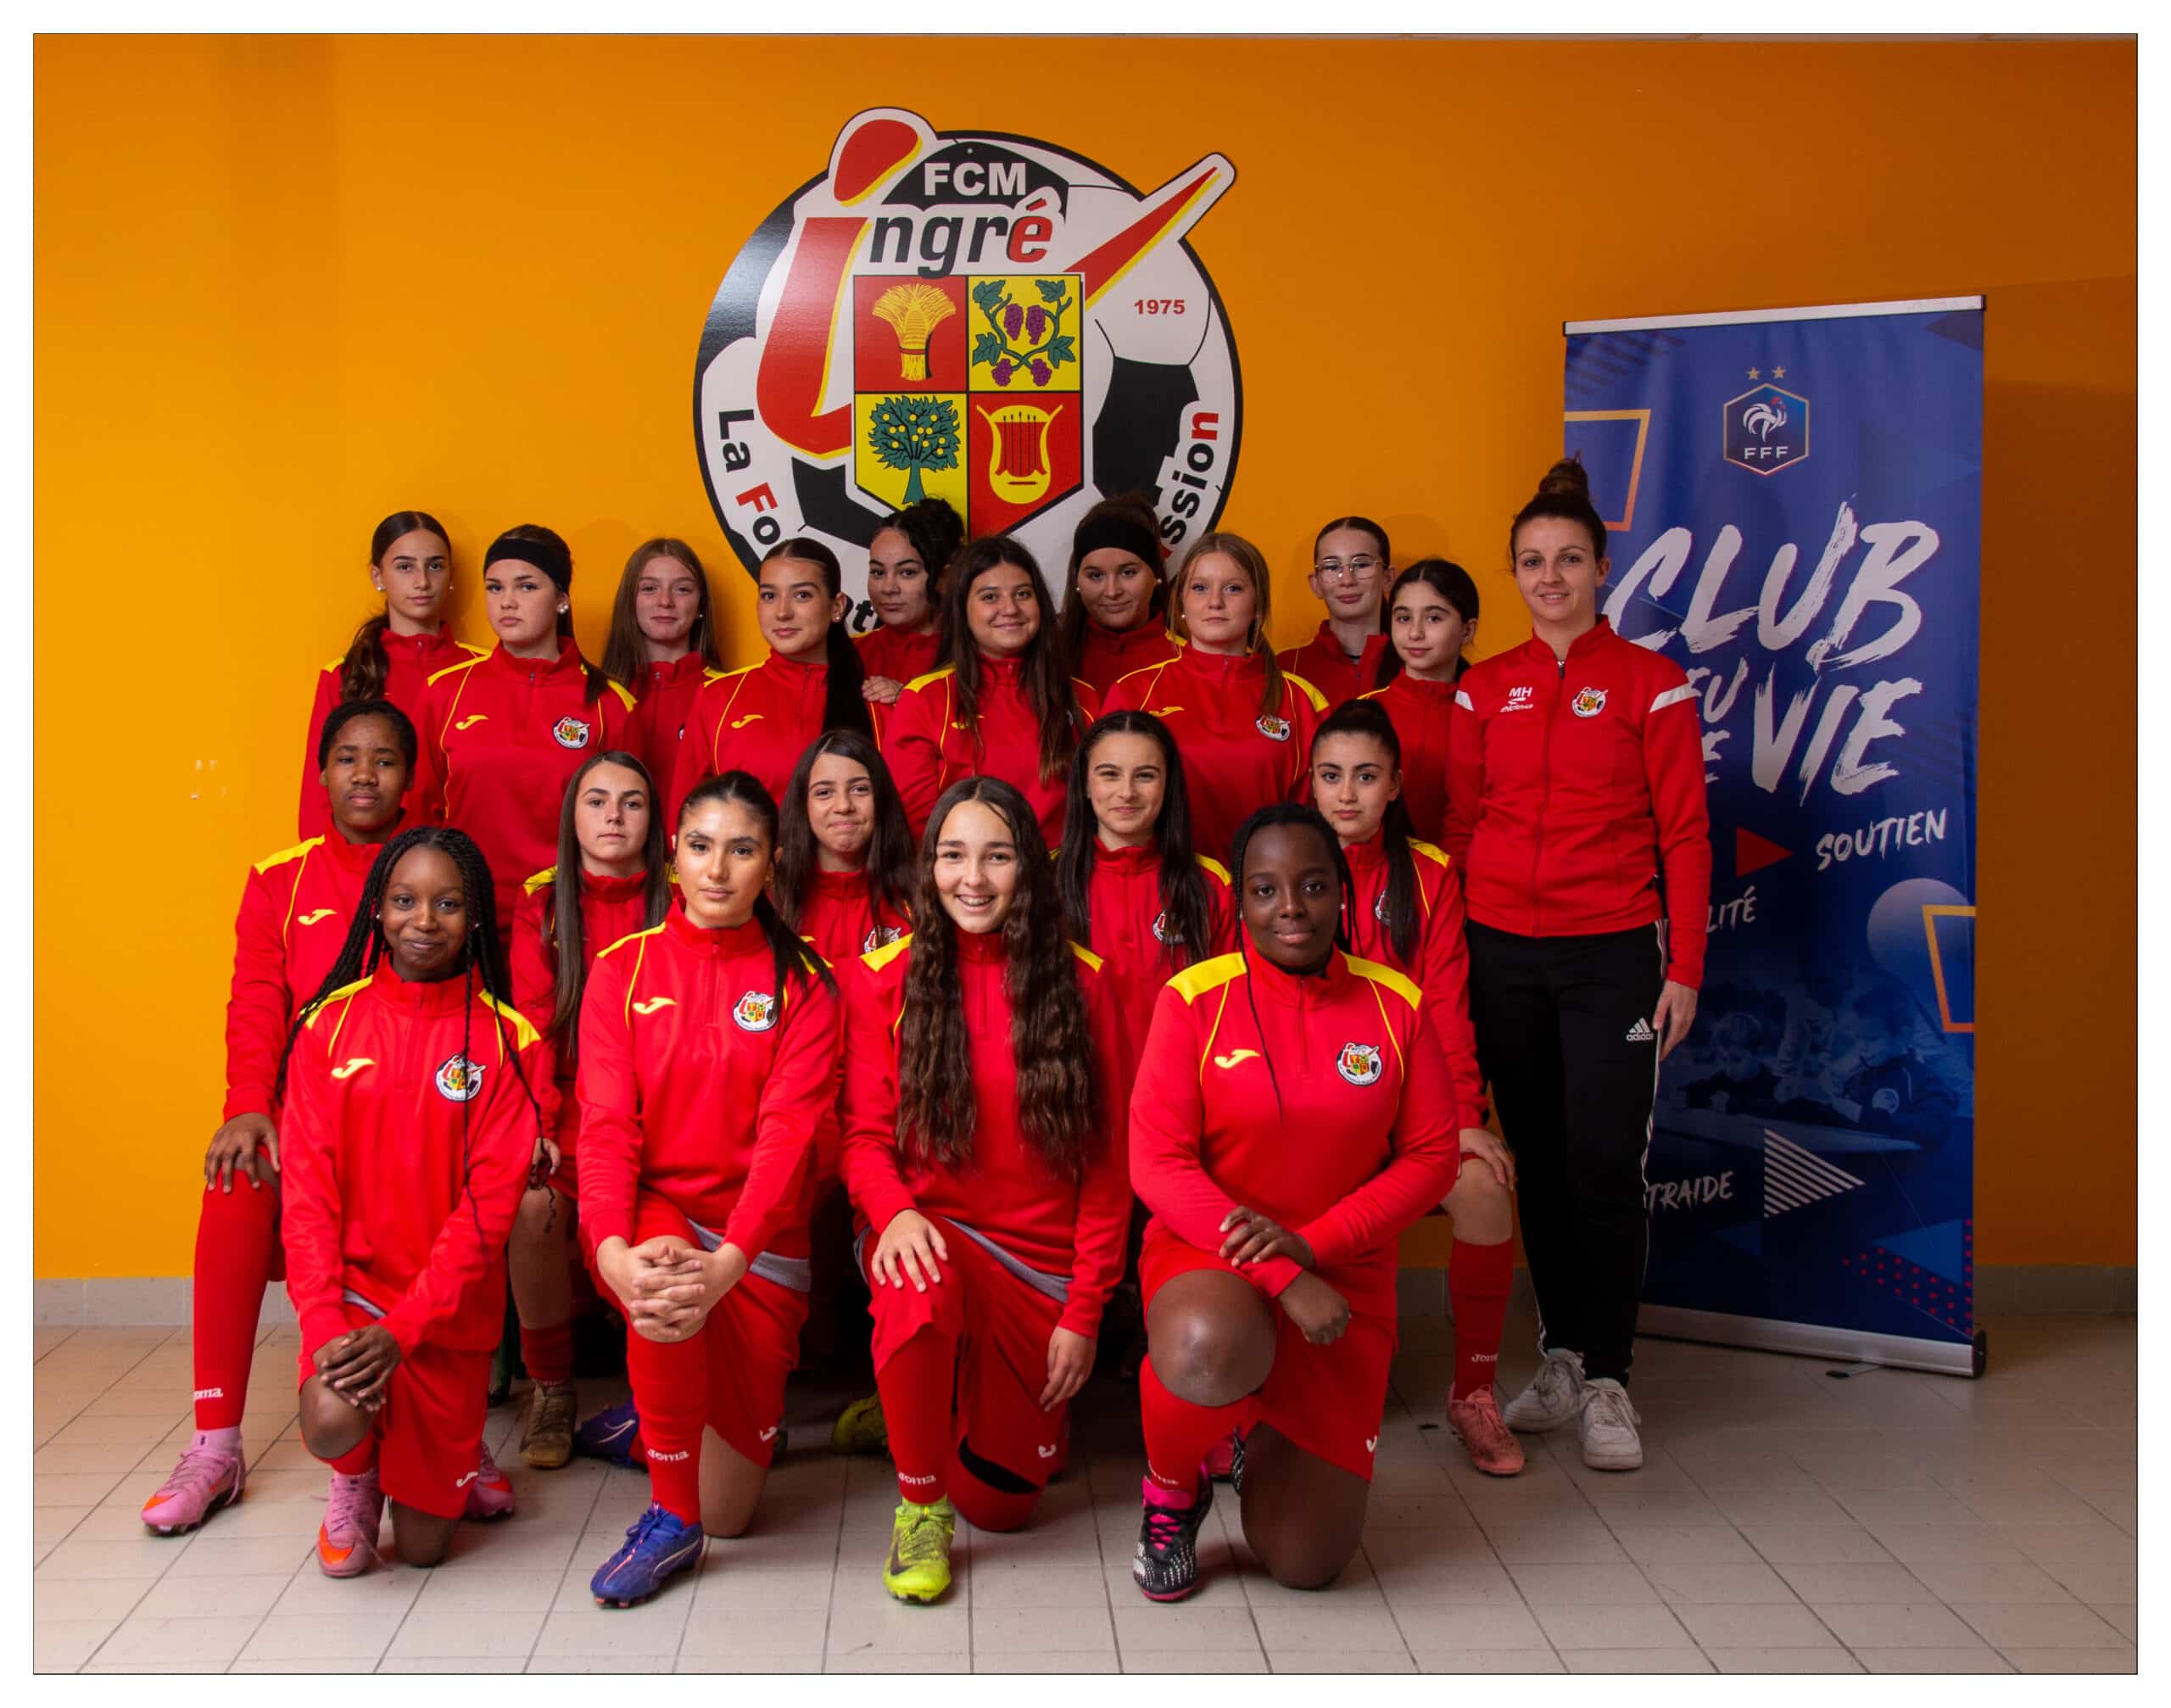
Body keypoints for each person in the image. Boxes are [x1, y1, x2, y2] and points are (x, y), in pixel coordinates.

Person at [1444, 457, 1711, 1472]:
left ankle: (1608, 1378)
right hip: (1502, 951)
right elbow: (1461, 828)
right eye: (1530, 561)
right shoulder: (1483, 687)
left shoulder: (1651, 681)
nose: (1548, 577)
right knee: (1541, 1165)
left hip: (1612, 952)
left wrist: (1684, 966)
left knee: (1605, 1165)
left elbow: (1684, 834)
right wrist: (1457, 956)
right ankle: (1558, 1354)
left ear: (1603, 567)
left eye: (1567, 559)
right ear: (1513, 572)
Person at [1125, 805, 1463, 1599]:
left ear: (1342, 892)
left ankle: (1249, 1428)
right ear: (1240, 901)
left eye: (1312, 886)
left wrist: (1314, 1248)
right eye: (1265, 889)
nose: (1290, 908)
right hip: (1212, 1256)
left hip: (1342, 1278)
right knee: (1206, 1346)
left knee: (1307, 1564)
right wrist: (1283, 1273)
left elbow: (1432, 1159)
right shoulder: (1193, 999)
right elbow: (1157, 1164)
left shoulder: (1397, 1004)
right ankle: (1173, 1491)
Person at [838, 778, 1130, 1603]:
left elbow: (1109, 1168)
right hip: (929, 1235)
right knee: (917, 1287)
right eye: (953, 855)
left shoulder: (1086, 982)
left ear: (1028, 868)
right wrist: (893, 1212)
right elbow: (861, 1138)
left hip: (1036, 1267)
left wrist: (1083, 1311)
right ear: (928, 866)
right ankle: (919, 1502)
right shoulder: (880, 979)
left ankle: (922, 1403)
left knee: (1003, 1508)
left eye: (997, 856)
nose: (973, 878)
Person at [140, 702, 421, 1536]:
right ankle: (215, 1446)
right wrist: (247, 1109)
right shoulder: (280, 879)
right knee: (235, 1176)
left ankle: (444, 1442)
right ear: (322, 772)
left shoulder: (431, 868)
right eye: (347, 758)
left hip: (407, 1115)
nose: (364, 774)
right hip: (307, 1121)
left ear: (410, 778)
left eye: (384, 760)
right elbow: (257, 1003)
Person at [572, 772, 845, 1605]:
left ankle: (653, 1425)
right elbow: (606, 1128)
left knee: (734, 1512)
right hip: (657, 1217)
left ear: (773, 862)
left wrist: (730, 1263)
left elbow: (786, 1145)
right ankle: (670, 1518)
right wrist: (610, 1252)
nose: (717, 870)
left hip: (755, 1245)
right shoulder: (621, 970)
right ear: (673, 856)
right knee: (663, 1273)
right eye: (699, 846)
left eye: (741, 850)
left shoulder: (807, 984)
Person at [280, 826, 547, 1575]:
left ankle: (448, 1451)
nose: (423, 921)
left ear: (475, 916)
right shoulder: (328, 1026)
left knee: (426, 1551)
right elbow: (306, 1193)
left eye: (447, 904)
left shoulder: (509, 1041)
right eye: (404, 901)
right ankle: (357, 1472)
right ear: (377, 908)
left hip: (442, 1320)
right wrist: (325, 1322)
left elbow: (486, 1216)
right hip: (352, 1299)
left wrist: (404, 1329)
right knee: (330, 1418)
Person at [1309, 701, 1521, 1475]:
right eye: (1331, 775)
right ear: (1310, 782)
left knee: (1485, 1188)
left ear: (1395, 785)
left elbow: (1446, 1010)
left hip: (1409, 1113)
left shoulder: (1429, 875)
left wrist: (1463, 1117)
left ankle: (1474, 1394)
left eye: (1366, 776)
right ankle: (1267, 1393)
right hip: (1312, 1116)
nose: (1347, 794)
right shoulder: (1283, 865)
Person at [505, 751, 673, 1469]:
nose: (613, 816)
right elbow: (533, 1025)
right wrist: (541, 1126)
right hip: (572, 1108)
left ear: (654, 820)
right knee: (532, 1205)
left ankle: (667, 1391)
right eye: (596, 800)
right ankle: (551, 1388)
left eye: (632, 802)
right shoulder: (543, 903)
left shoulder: (682, 892)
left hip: (662, 1113)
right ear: (571, 815)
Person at [416, 524, 636, 933]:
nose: (507, 601)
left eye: (527, 586)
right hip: (462, 920)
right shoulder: (445, 691)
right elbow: (418, 812)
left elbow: (628, 835)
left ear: (562, 599)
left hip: (563, 925)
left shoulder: (610, 705)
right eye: (495, 588)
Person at [1102, 532, 1326, 866]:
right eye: (1200, 588)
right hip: (1165, 885)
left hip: (1268, 883)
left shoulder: (1301, 700)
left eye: (1233, 588)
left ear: (1258, 605)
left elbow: (1319, 818)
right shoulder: (1133, 692)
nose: (1215, 602)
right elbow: (1105, 807)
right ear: (1181, 603)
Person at [1053, 710, 1237, 1086]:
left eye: (1145, 775)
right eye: (1109, 774)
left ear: (1169, 785)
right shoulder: (1041, 879)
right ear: (1084, 784)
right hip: (1070, 1094)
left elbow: (1233, 1011)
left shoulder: (1212, 885)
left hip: (1182, 1091)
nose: (1127, 792)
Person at [882, 535, 1099, 848]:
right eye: (990, 597)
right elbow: (919, 826)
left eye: (1023, 594)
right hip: (965, 874)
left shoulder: (1083, 698)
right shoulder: (925, 699)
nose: (1010, 608)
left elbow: (1100, 811)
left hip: (1063, 875)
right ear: (963, 609)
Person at [297, 511, 484, 840]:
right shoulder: (343, 674)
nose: (422, 581)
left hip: (463, 858)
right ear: (377, 575)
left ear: (451, 576)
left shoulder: (482, 671)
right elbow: (318, 802)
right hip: (370, 861)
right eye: (405, 567)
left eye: (435, 566)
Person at [671, 537, 873, 820]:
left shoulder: (875, 700)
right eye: (769, 596)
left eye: (802, 595)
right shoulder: (719, 697)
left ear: (837, 607)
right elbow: (684, 818)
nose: (782, 612)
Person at [1363, 558, 1481, 846]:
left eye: (1434, 618)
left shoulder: (1488, 713)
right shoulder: (1365, 713)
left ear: (1467, 630)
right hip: (1387, 869)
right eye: (1403, 618)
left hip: (1472, 868)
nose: (1415, 633)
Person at [774, 730, 916, 967]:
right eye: (824, 793)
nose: (843, 805)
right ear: (803, 804)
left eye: (860, 789)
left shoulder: (919, 900)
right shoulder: (772, 899)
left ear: (882, 798)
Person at [601, 539, 724, 793]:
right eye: (649, 588)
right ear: (630, 601)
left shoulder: (725, 694)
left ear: (701, 606)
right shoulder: (601, 696)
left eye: (682, 589)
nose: (665, 601)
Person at [1058, 493, 1180, 702]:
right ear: (1077, 580)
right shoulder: (1050, 658)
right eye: (1096, 576)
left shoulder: (1189, 658)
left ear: (1156, 574)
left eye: (1128, 573)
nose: (1112, 591)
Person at [1277, 516, 1394, 706]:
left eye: (1361, 565)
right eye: (1332, 567)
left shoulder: (1417, 665)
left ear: (1388, 578)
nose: (1347, 580)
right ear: (1315, 584)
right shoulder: (1285, 669)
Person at [859, 498, 963, 706]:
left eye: (907, 572)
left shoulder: (974, 657)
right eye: (878, 572)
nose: (888, 588)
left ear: (945, 578)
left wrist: (911, 700)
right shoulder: (849, 651)